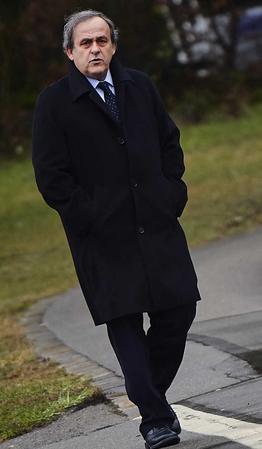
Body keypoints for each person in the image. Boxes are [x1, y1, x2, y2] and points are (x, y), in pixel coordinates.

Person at [32, 10, 200, 449]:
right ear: (70, 52)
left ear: (113, 45)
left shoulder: (138, 86)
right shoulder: (53, 104)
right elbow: (52, 178)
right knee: (125, 322)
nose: (95, 49)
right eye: (85, 43)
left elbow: (170, 144)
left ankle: (150, 400)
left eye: (102, 40)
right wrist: (89, 216)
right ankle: (155, 420)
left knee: (179, 311)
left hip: (157, 225)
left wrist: (171, 194)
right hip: (102, 239)